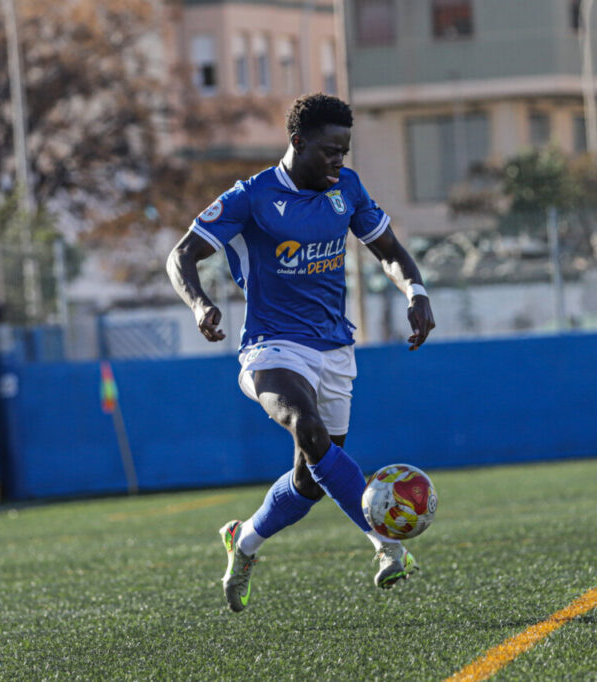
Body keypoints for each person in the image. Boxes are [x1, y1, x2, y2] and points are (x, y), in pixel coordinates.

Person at [166, 93, 435, 612]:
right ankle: (386, 543)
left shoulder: (347, 190)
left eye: (345, 151)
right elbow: (181, 255)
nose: (339, 161)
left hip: (334, 348)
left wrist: (416, 293)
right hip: (271, 347)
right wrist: (199, 304)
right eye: (331, 150)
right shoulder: (251, 197)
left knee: (310, 482)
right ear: (298, 142)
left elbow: (390, 252)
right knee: (307, 429)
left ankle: (242, 542)